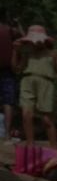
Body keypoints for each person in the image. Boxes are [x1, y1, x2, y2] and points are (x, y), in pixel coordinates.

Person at [13, 25, 57, 149]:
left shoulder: (52, 53)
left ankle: (54, 148)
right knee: (27, 115)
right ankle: (30, 145)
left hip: (46, 83)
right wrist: (15, 51)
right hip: (27, 80)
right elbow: (17, 68)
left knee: (47, 119)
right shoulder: (27, 52)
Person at [0, 9, 22, 142]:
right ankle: (8, 134)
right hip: (8, 70)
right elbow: (26, 39)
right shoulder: (10, 30)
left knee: (8, 102)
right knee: (8, 102)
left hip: (8, 70)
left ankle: (6, 134)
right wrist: (18, 24)